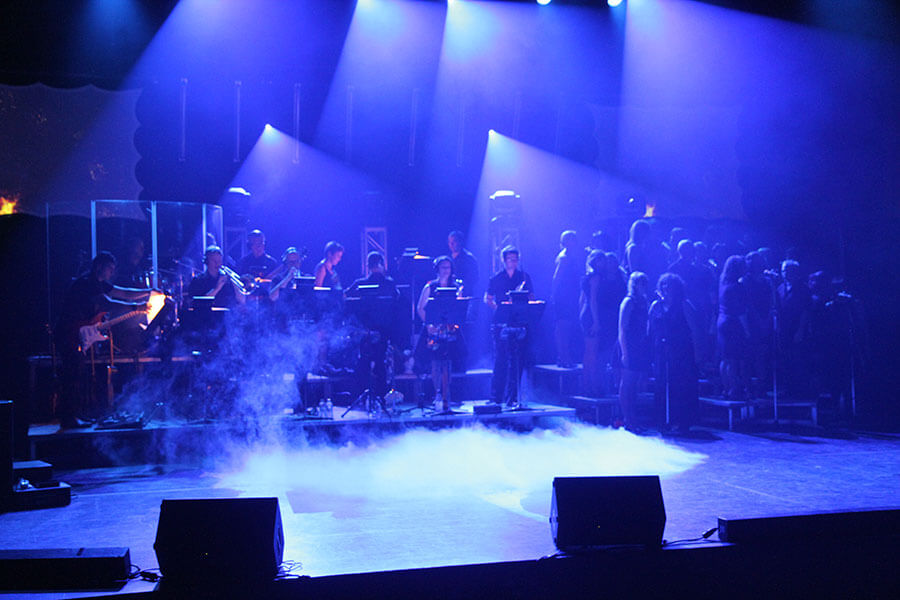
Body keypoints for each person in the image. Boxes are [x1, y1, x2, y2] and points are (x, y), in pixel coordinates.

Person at [53, 252, 154, 429]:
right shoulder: (87, 283)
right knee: (71, 376)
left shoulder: (98, 283)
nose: (112, 272)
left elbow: (123, 292)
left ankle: (74, 416)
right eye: (110, 268)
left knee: (77, 375)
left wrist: (149, 292)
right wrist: (136, 307)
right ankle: (68, 419)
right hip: (68, 333)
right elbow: (106, 302)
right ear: (99, 266)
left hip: (74, 333)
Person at [649, 273, 701, 432]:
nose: (665, 290)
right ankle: (662, 420)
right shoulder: (656, 306)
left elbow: (695, 330)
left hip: (681, 351)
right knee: (661, 384)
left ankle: (682, 421)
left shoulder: (684, 305)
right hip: (661, 351)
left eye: (669, 287)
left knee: (681, 385)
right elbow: (650, 330)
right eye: (663, 286)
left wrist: (698, 353)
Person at [346, 252, 400, 400]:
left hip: (370, 330)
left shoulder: (363, 283)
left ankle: (363, 395)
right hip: (376, 330)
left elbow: (345, 297)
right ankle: (379, 395)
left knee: (367, 361)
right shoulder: (388, 283)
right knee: (378, 361)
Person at [485, 246, 534, 406]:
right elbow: (488, 298)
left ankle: (512, 397)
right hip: (501, 323)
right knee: (501, 359)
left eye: (515, 259)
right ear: (504, 260)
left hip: (519, 322)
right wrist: (499, 310)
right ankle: (495, 397)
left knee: (517, 361)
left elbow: (531, 297)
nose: (513, 262)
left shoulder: (524, 277)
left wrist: (528, 306)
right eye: (510, 259)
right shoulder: (496, 278)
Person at [417, 256, 465, 410]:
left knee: (448, 362)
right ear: (437, 269)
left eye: (448, 267)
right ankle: (437, 393)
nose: (446, 270)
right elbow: (420, 308)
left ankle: (446, 394)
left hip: (450, 330)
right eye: (443, 267)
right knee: (436, 362)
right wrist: (429, 325)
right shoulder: (430, 287)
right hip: (434, 331)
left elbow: (459, 307)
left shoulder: (456, 286)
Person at [617, 272, 650, 431]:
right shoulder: (628, 302)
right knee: (627, 382)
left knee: (635, 383)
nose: (643, 286)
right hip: (628, 344)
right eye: (640, 283)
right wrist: (625, 353)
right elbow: (622, 329)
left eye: (644, 282)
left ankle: (633, 418)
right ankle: (627, 419)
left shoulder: (644, 302)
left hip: (639, 345)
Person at [717, 255, 751, 402]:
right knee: (733, 359)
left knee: (725, 358)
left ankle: (726, 388)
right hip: (733, 323)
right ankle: (734, 389)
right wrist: (747, 331)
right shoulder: (738, 287)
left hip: (722, 321)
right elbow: (741, 312)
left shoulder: (723, 283)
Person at [551, 230, 583, 368]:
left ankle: (565, 355)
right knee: (562, 326)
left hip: (569, 295)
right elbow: (557, 277)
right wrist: (554, 294)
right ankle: (563, 356)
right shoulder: (564, 258)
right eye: (572, 240)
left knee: (567, 326)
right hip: (563, 296)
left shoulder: (570, 256)